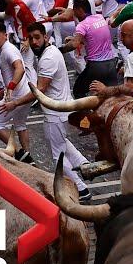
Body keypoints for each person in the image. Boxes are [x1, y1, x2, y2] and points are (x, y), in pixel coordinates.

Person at [10, 22, 92, 201]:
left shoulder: (47, 58)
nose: (33, 42)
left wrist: (15, 103)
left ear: (45, 37)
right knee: (63, 144)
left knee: (58, 155)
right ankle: (84, 165)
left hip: (56, 113)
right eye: (30, 38)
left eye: (37, 38)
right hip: (61, 111)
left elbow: (40, 90)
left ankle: (81, 188)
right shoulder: (51, 51)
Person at [0, 21, 34, 164]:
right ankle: (27, 156)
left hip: (15, 96)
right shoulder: (7, 49)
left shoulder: (8, 50)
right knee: (20, 124)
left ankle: (19, 152)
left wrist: (10, 87)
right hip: (25, 93)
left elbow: (19, 69)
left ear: (5, 35)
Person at [59, 0, 117, 98]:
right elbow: (93, 37)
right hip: (111, 63)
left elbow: (74, 45)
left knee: (78, 91)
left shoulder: (82, 25)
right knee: (112, 95)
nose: (74, 14)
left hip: (96, 66)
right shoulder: (100, 18)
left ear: (80, 10)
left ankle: (88, 113)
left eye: (74, 10)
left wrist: (59, 50)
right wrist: (74, 38)